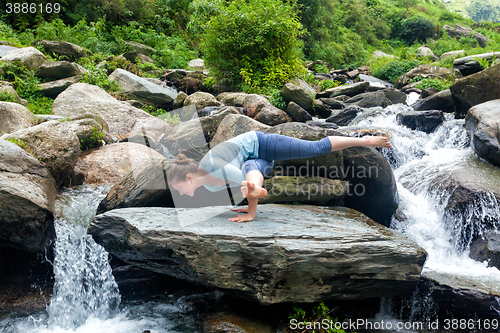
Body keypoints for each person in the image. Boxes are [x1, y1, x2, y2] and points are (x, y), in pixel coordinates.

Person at [168, 131, 391, 223]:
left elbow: (244, 183)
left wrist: (252, 197)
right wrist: (251, 212)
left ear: (188, 177)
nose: (179, 193)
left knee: (315, 148)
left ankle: (366, 140)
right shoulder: (211, 188)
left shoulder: (211, 164)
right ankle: (259, 192)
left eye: (178, 188)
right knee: (249, 174)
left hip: (264, 144)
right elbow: (247, 183)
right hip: (256, 163)